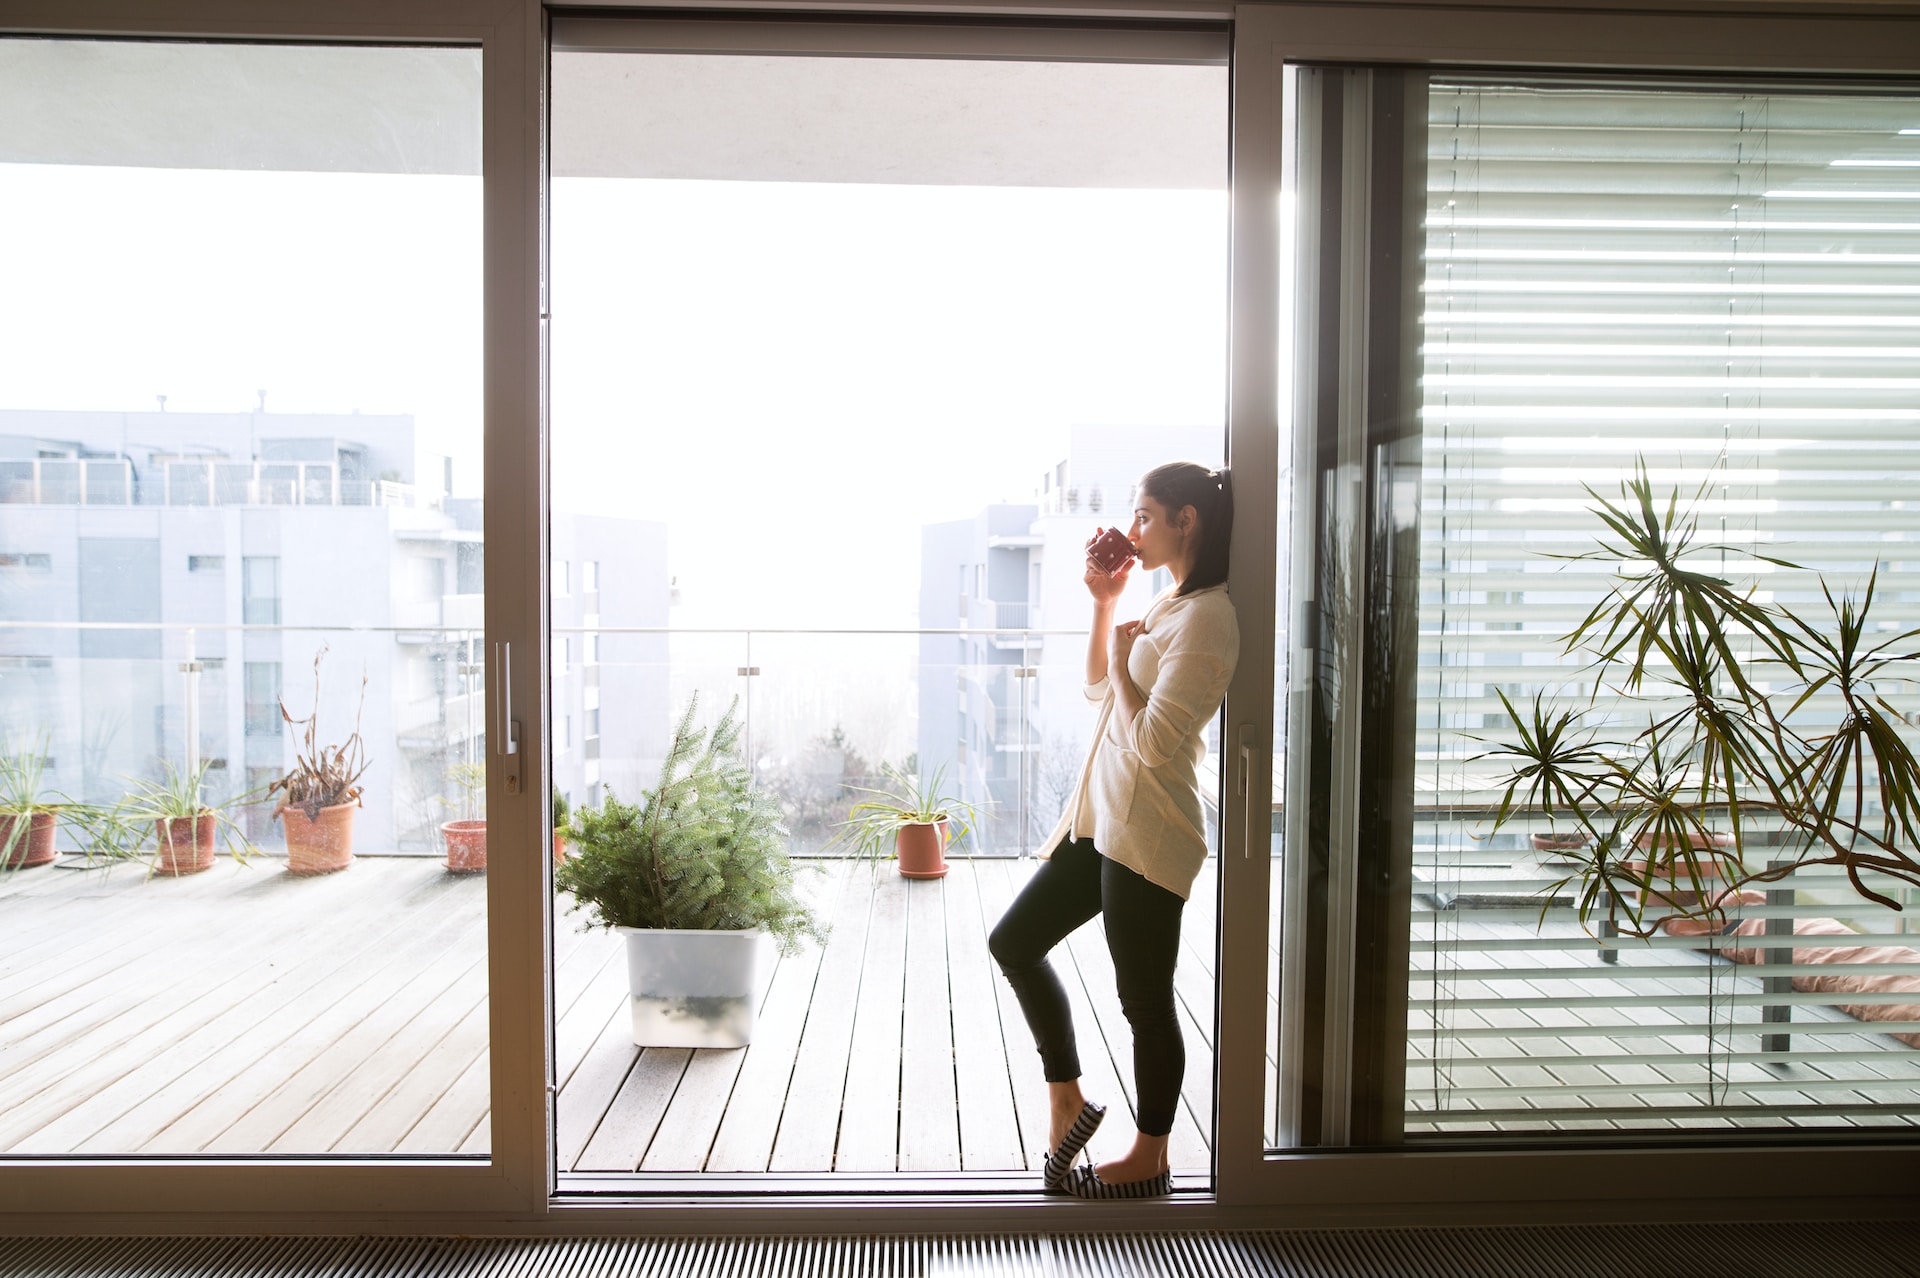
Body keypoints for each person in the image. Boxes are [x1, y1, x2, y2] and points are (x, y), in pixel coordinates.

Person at [988, 461, 1239, 1199]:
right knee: (1014, 940)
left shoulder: (1209, 617)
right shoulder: (1169, 604)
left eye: (1145, 516)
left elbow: (1155, 740)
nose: (1134, 531)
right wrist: (1106, 607)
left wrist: (1129, 671)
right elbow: (1102, 688)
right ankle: (1065, 1097)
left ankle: (1152, 1154)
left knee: (1143, 1000)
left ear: (1185, 519)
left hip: (1151, 832)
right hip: (1100, 822)